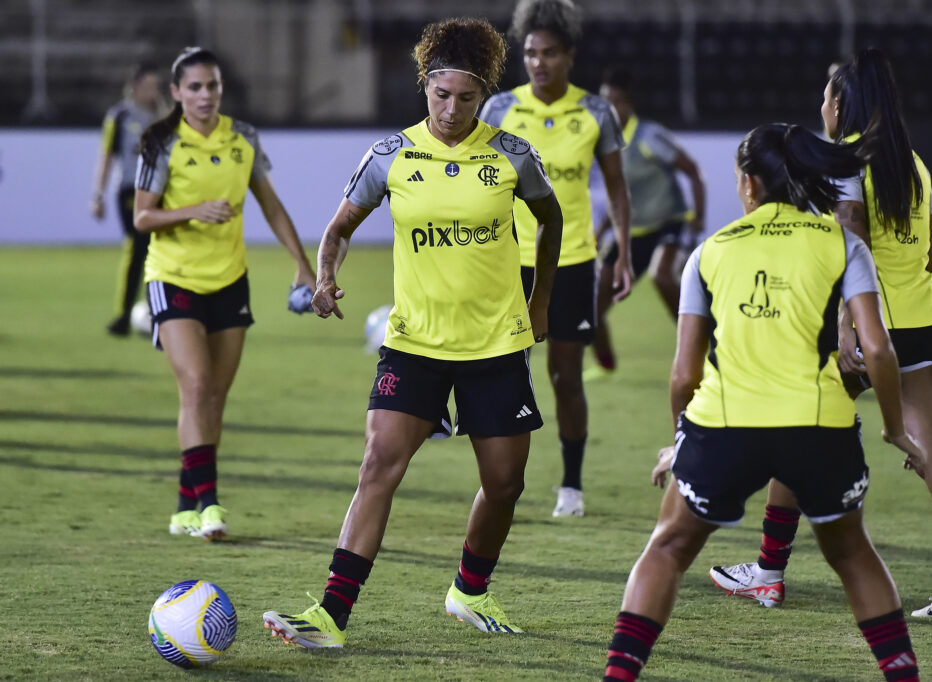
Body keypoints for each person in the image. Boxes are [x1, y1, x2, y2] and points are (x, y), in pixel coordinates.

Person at [262, 17, 562, 648]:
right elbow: (339, 229)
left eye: (466, 98)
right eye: (441, 95)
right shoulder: (390, 156)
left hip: (496, 345)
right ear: (424, 85)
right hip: (414, 344)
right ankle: (330, 615)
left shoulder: (510, 155)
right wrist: (324, 277)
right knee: (378, 464)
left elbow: (550, 218)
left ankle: (469, 591)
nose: (452, 110)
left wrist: (539, 305)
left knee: (506, 483)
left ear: (483, 97)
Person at [602, 122, 926, 682]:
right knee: (852, 553)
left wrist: (680, 442)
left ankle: (619, 674)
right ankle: (902, 674)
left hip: (725, 424)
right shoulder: (843, 244)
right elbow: (877, 348)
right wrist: (896, 429)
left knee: (668, 547)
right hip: (818, 424)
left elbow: (683, 375)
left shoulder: (708, 253)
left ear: (748, 184)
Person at [710, 48, 932, 624]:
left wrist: (847, 324)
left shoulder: (843, 164)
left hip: (866, 330)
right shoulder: (914, 164)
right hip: (926, 323)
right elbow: (931, 255)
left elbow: (848, 236)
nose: (821, 104)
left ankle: (767, 574)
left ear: (842, 103)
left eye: (826, 95)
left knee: (795, 435)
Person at [134, 47, 316, 540]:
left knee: (213, 397)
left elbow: (272, 207)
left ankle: (184, 502)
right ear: (176, 93)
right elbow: (143, 216)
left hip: (230, 280)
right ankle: (210, 505)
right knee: (194, 386)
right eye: (194, 87)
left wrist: (303, 265)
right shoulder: (160, 141)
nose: (205, 95)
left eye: (212, 86)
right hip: (172, 277)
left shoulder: (244, 138)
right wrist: (193, 210)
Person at [479, 0, 632, 518]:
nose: (538, 62)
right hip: (508, 262)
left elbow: (615, 187)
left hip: (573, 261)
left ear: (569, 55)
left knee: (566, 376)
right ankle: (505, 483)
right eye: (530, 53)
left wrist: (625, 254)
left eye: (548, 53)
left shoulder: (595, 112)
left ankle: (571, 484)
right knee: (507, 373)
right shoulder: (499, 110)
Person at [587, 67, 706, 378]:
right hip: (631, 232)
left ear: (628, 105)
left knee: (662, 277)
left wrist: (697, 218)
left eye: (613, 102)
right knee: (592, 302)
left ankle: (702, 349)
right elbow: (616, 195)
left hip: (667, 224)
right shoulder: (604, 142)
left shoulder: (649, 136)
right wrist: (600, 232)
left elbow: (692, 170)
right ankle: (605, 364)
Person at [90, 62, 163, 336]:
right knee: (138, 249)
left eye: (156, 87)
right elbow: (106, 156)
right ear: (134, 86)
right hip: (131, 192)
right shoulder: (120, 116)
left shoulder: (164, 116)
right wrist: (98, 195)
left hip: (162, 192)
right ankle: (125, 314)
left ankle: (156, 310)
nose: (152, 92)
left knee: (157, 251)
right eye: (147, 86)